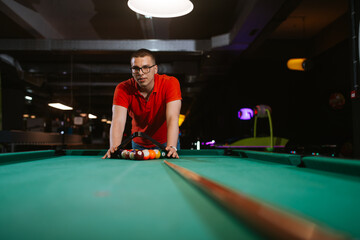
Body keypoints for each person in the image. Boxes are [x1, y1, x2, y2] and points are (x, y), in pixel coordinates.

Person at [103, 49, 182, 159]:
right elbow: (118, 121)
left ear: (155, 69)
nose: (140, 73)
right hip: (138, 144)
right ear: (131, 70)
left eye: (146, 68)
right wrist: (114, 148)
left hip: (166, 143)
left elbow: (172, 118)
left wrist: (172, 146)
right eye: (136, 68)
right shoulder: (122, 88)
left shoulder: (170, 83)